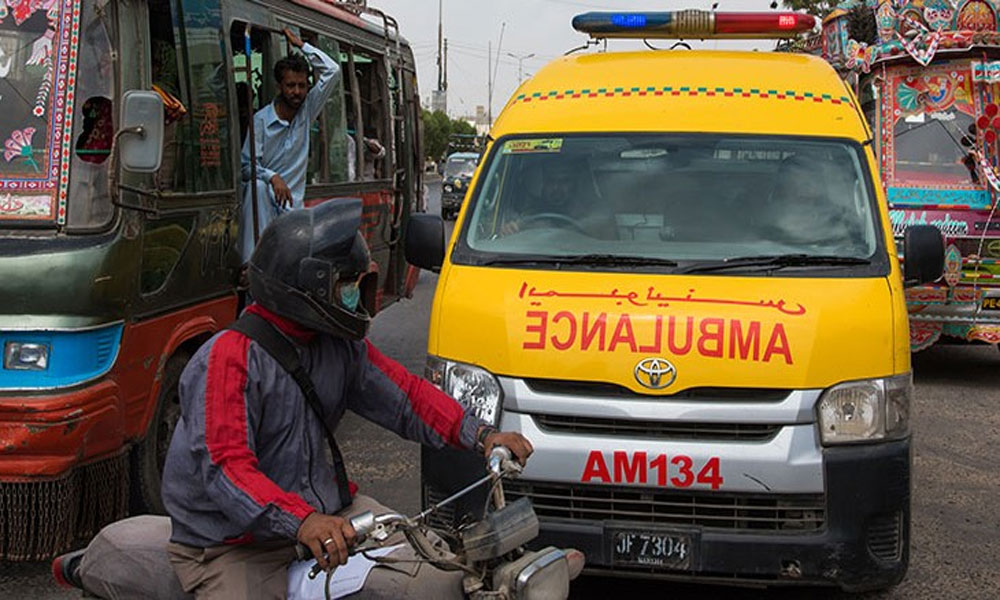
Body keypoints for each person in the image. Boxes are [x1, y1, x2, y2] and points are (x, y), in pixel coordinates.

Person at [240, 28, 339, 262]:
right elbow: (245, 167)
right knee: (258, 186)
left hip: (293, 218)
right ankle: (251, 264)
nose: (296, 92)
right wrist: (272, 177)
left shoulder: (307, 111)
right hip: (264, 213)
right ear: (279, 87)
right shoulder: (260, 122)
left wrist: (302, 46)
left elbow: (332, 71)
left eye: (302, 86)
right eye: (290, 85)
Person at [499, 156, 615, 238]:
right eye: (551, 181)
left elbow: (609, 245)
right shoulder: (528, 213)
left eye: (564, 181)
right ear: (542, 183)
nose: (556, 187)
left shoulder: (596, 211)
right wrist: (509, 230)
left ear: (575, 184)